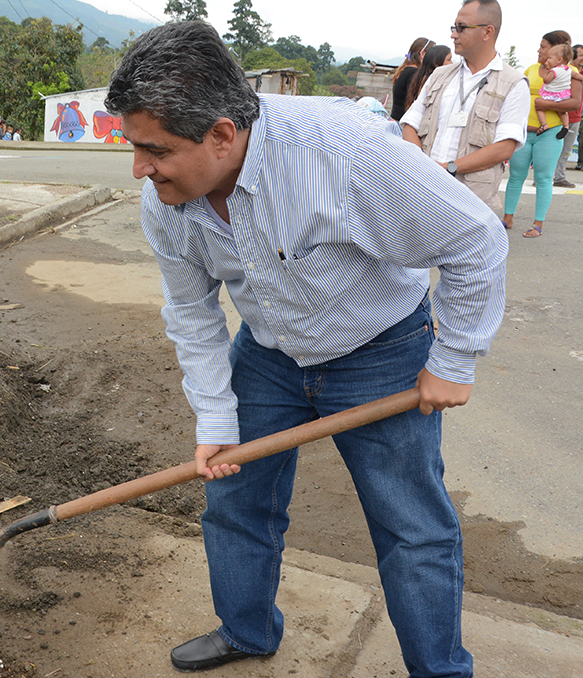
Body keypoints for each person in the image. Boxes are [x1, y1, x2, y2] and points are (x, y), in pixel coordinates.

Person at [105, 20, 507, 677]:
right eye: (134, 146)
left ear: (222, 135)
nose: (139, 168)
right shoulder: (167, 199)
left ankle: (439, 670)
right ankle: (246, 630)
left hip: (381, 350)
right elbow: (191, 311)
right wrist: (215, 417)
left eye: (155, 150)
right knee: (235, 498)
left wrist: (455, 358)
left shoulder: (344, 153)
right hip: (269, 353)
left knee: (412, 529)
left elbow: (476, 239)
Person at [401, 0, 529, 213]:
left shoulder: (513, 83)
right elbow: (410, 124)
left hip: (470, 203)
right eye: (453, 27)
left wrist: (449, 168)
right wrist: (422, 167)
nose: (453, 35)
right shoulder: (440, 75)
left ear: (487, 32)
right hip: (421, 192)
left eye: (461, 27)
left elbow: (505, 147)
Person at [503, 30, 581, 237]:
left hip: (550, 133)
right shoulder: (530, 69)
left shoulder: (569, 71)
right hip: (524, 133)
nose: (539, 50)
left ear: (557, 52)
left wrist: (545, 103)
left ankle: (538, 224)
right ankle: (507, 217)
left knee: (544, 178)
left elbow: (574, 102)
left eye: (543, 46)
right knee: (515, 176)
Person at [536, 43, 581, 139]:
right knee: (562, 112)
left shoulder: (554, 71)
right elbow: (577, 76)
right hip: (563, 95)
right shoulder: (568, 69)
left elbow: (546, 81)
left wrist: (547, 71)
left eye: (550, 58)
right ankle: (566, 126)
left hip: (551, 94)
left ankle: (544, 124)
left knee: (540, 108)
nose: (548, 60)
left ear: (559, 60)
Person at [554, 43, 583, 185]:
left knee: (566, 150)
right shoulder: (565, 71)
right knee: (552, 148)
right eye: (581, 55)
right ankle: (542, 177)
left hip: (576, 116)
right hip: (559, 115)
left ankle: (559, 177)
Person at [391, 37, 434, 120]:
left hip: (396, 119)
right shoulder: (415, 73)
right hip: (404, 123)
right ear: (423, 54)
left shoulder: (404, 69)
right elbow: (413, 101)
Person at [405, 44, 453, 110]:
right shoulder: (430, 81)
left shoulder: (421, 76)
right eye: (449, 59)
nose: (452, 63)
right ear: (437, 62)